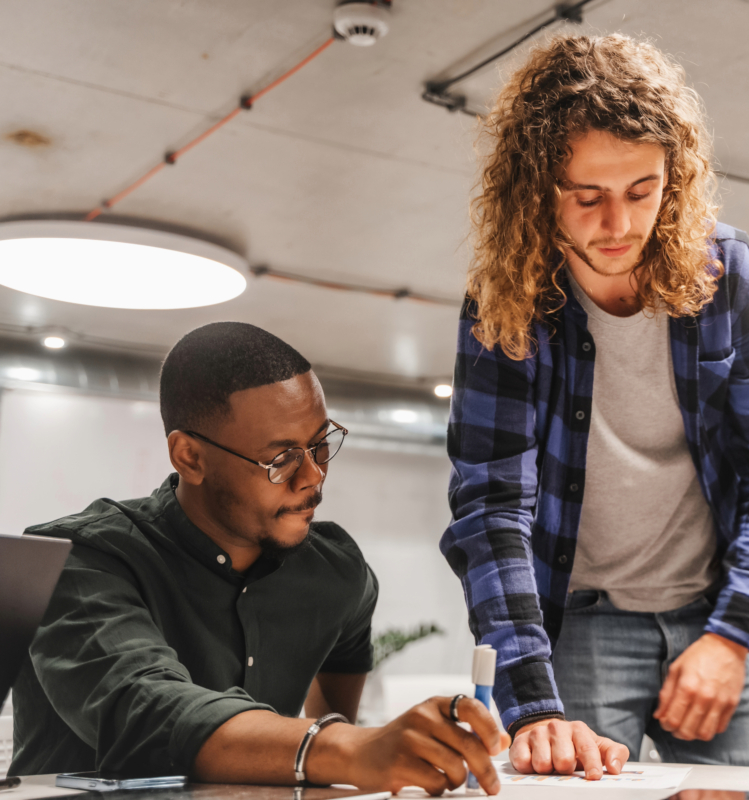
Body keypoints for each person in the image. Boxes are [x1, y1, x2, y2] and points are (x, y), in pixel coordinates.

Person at [442, 34, 749, 775]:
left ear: (673, 180)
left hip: (711, 617)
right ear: (538, 191)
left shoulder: (729, 273)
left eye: (642, 192)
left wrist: (732, 635)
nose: (618, 226)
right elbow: (490, 507)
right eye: (588, 198)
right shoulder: (508, 300)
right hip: (579, 626)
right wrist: (534, 705)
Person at [11, 323, 507, 793]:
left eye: (320, 446)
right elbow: (146, 712)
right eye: (282, 459)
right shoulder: (81, 562)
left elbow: (332, 714)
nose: (313, 476)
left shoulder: (336, 572)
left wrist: (361, 744)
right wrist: (349, 748)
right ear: (190, 457)